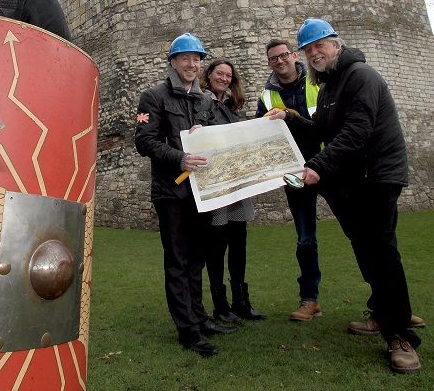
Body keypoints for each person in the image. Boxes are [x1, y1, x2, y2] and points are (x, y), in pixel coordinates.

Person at [268, 19, 422, 374]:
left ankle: (399, 336)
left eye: (319, 46)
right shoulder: (329, 87)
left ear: (336, 44)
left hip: (378, 175)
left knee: (381, 251)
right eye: (308, 49)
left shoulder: (360, 76)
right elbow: (324, 129)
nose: (314, 53)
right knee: (366, 248)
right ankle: (384, 314)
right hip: (356, 178)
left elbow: (357, 130)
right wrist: (289, 117)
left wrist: (316, 166)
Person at [135, 34, 238, 358]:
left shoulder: (206, 102)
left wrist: (206, 135)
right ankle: (188, 331)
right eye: (185, 58)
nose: (192, 64)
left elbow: (218, 139)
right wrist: (179, 157)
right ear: (173, 62)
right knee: (178, 261)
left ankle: (201, 318)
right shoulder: (153, 97)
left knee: (197, 260)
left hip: (201, 192)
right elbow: (144, 141)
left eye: (197, 59)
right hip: (170, 193)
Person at [256, 39, 323, 322]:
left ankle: (385, 300)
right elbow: (260, 135)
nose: (280, 61)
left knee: (359, 234)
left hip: (329, 166)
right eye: (274, 58)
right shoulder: (267, 97)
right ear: (269, 63)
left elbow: (328, 127)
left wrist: (291, 118)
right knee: (305, 239)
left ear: (294, 56)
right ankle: (309, 300)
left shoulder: (320, 84)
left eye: (284, 55)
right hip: (295, 174)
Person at [200, 58, 265, 323]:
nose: (224, 79)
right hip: (216, 186)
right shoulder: (201, 101)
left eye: (229, 75)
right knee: (217, 245)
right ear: (210, 74)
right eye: (220, 73)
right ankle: (220, 304)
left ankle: (240, 301)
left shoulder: (229, 106)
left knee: (239, 243)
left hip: (237, 184)